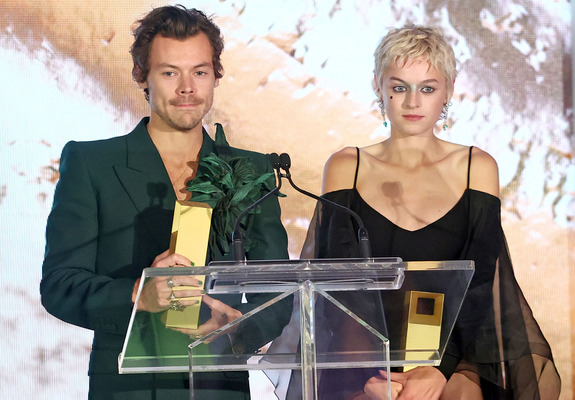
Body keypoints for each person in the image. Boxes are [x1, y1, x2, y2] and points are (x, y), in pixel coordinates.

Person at [40, 5, 290, 400]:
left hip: (220, 387)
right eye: (170, 73)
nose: (187, 88)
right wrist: (138, 295)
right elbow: (60, 285)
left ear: (216, 75)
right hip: (127, 388)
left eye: (199, 72)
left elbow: (278, 291)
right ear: (141, 74)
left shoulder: (251, 170)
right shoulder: (91, 163)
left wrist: (236, 328)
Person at [302, 26, 561, 399]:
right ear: (378, 86)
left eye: (427, 88)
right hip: (364, 360)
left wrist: (440, 369)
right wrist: (371, 376)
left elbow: (480, 281)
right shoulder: (347, 166)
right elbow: (338, 288)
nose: (412, 102)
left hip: (458, 355)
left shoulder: (477, 167)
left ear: (449, 90)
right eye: (399, 87)